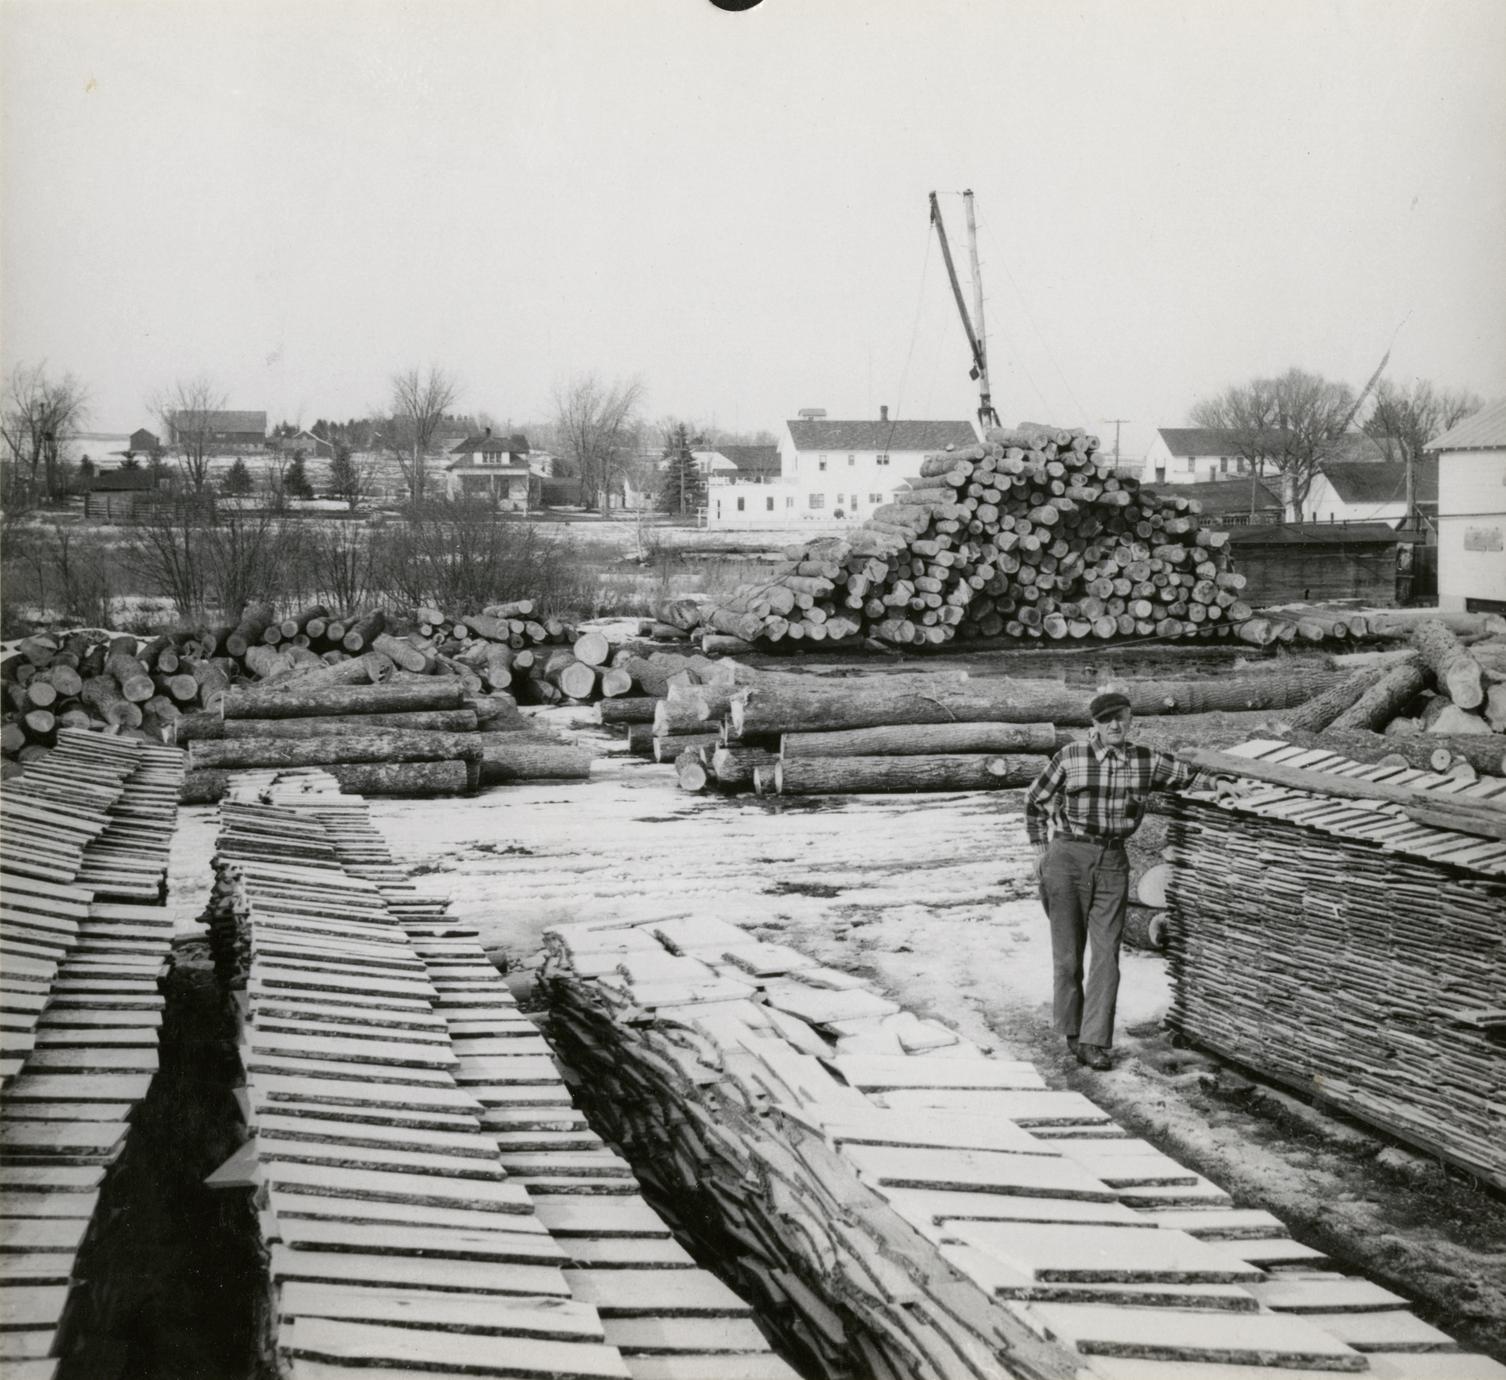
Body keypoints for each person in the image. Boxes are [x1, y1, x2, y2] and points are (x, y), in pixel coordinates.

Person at [1024, 690, 1218, 1071]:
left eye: (1120, 717)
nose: (1114, 725)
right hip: (1067, 858)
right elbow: (1034, 800)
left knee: (1107, 954)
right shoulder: (1071, 756)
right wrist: (1039, 850)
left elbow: (1190, 776)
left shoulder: (1145, 760)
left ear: (1130, 720)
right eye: (1105, 719)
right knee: (1068, 957)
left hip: (1113, 860)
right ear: (1093, 724)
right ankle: (1072, 1031)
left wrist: (1218, 782)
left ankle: (1094, 1041)